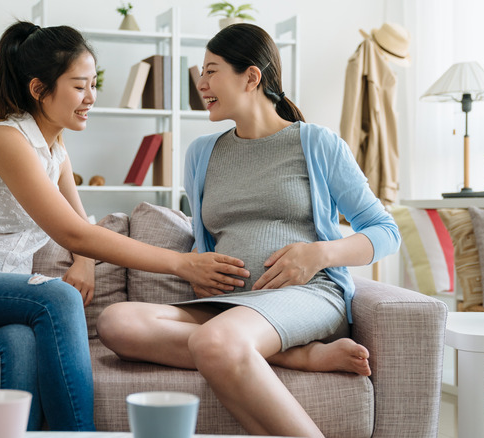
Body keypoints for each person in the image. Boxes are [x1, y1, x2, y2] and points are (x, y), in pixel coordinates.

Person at [0, 21, 248, 432]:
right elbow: (74, 234)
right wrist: (182, 264)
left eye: (94, 84)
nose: (91, 97)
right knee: (55, 297)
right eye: (79, 86)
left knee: (20, 346)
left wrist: (86, 264)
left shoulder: (54, 150)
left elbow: (80, 226)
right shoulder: (7, 140)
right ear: (39, 89)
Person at [96, 23, 401, 438]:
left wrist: (320, 254)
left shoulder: (315, 143)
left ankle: (273, 347)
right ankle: (300, 357)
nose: (201, 84)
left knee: (214, 342)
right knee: (117, 322)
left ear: (251, 76)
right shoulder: (202, 152)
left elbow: (385, 230)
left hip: (307, 297)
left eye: (211, 71)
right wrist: (196, 268)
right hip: (229, 306)